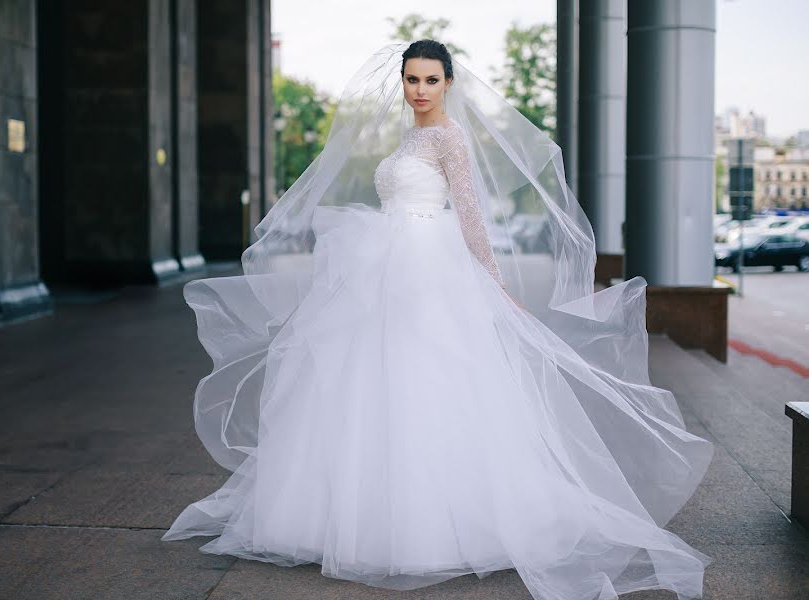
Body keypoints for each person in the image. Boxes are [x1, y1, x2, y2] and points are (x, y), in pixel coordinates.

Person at [161, 39, 714, 600]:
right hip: (385, 267)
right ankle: (348, 513)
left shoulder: (450, 136)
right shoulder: (411, 136)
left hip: (427, 267)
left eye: (430, 79)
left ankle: (434, 525)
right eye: (411, 79)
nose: (419, 90)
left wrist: (494, 285)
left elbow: (470, 215)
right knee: (367, 381)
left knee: (426, 377)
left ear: (448, 82)